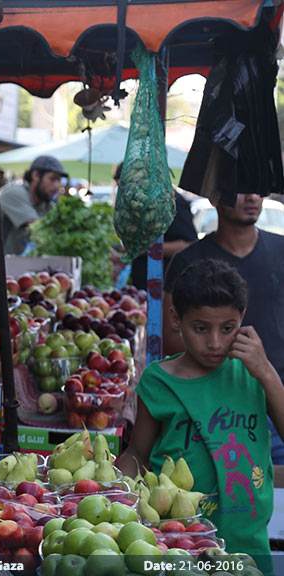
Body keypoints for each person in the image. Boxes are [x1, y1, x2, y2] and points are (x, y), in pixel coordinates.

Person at [118, 260, 284, 572]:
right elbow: (138, 454)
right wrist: (112, 498)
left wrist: (266, 372)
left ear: (242, 319)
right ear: (175, 319)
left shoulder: (253, 371)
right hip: (176, 542)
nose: (215, 343)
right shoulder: (158, 381)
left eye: (228, 328)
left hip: (246, 542)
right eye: (201, 328)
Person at [163, 193, 284, 464]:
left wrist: (264, 369)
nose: (252, 196)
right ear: (216, 197)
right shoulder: (187, 260)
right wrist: (221, 348)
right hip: (211, 410)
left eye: (257, 188)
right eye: (239, 188)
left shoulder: (280, 249)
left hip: (276, 400)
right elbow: (168, 337)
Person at [0, 155, 67, 272]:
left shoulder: (45, 205)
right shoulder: (13, 193)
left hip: (10, 274)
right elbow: (38, 228)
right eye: (52, 179)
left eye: (59, 180)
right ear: (35, 175)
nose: (57, 186)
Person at [115, 161, 197, 290]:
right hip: (142, 289)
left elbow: (187, 245)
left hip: (166, 289)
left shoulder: (172, 202)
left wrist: (143, 248)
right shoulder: (139, 204)